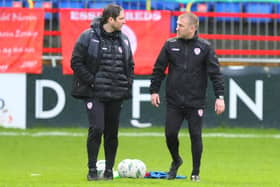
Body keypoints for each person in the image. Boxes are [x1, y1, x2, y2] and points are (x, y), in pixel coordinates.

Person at [150, 12, 225, 182]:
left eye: (180, 25)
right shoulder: (170, 45)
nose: (176, 28)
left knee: (195, 135)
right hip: (174, 101)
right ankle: (176, 160)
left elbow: (216, 74)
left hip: (195, 101)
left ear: (192, 28)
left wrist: (219, 96)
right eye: (177, 24)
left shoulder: (205, 47)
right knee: (170, 134)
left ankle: (195, 172)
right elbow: (158, 69)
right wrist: (154, 90)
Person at [71, 4, 134, 181]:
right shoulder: (88, 36)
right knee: (97, 128)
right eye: (121, 18)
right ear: (111, 19)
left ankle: (108, 171)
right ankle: (92, 170)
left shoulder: (125, 39)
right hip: (95, 93)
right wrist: (92, 81)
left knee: (112, 133)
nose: (124, 21)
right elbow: (76, 62)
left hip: (116, 93)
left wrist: (127, 83)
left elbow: (130, 65)